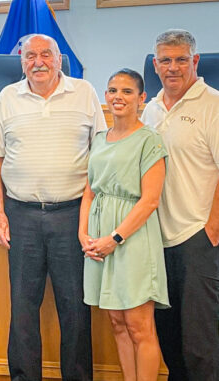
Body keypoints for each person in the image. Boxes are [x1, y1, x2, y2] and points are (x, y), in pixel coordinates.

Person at [0, 34, 107, 381]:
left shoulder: (84, 93)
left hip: (72, 216)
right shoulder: (8, 97)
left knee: (75, 308)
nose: (37, 62)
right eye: (29, 56)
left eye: (45, 55)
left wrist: (88, 219)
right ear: (21, 61)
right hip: (21, 215)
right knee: (23, 307)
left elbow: (101, 156)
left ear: (59, 58)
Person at [80, 69, 168, 381]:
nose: (118, 97)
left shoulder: (149, 139)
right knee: (116, 321)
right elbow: (89, 191)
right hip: (98, 238)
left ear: (141, 98)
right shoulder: (100, 139)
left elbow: (150, 200)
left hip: (131, 238)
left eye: (127, 91)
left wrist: (114, 238)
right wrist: (84, 235)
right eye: (113, 90)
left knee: (139, 325)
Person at [142, 29, 219, 381]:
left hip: (197, 237)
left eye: (181, 60)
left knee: (201, 341)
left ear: (195, 61)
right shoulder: (150, 109)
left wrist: (212, 229)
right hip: (156, 240)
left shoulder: (213, 105)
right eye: (166, 60)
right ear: (155, 65)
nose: (173, 68)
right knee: (168, 334)